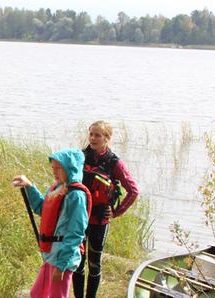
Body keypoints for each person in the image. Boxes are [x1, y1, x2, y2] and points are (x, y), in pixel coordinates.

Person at [12, 149, 91, 298]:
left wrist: (61, 266)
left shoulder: (76, 196)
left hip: (63, 259)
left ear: (70, 167)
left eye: (58, 168)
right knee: (37, 294)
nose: (54, 172)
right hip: (51, 256)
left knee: (57, 295)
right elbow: (43, 208)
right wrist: (29, 186)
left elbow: (77, 233)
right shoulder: (58, 187)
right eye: (53, 168)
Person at [74, 120, 140, 298]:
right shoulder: (80, 157)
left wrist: (116, 212)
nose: (93, 138)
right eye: (91, 134)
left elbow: (133, 191)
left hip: (99, 221)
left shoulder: (114, 163)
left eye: (98, 135)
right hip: (79, 219)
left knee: (94, 264)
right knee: (77, 263)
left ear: (107, 138)